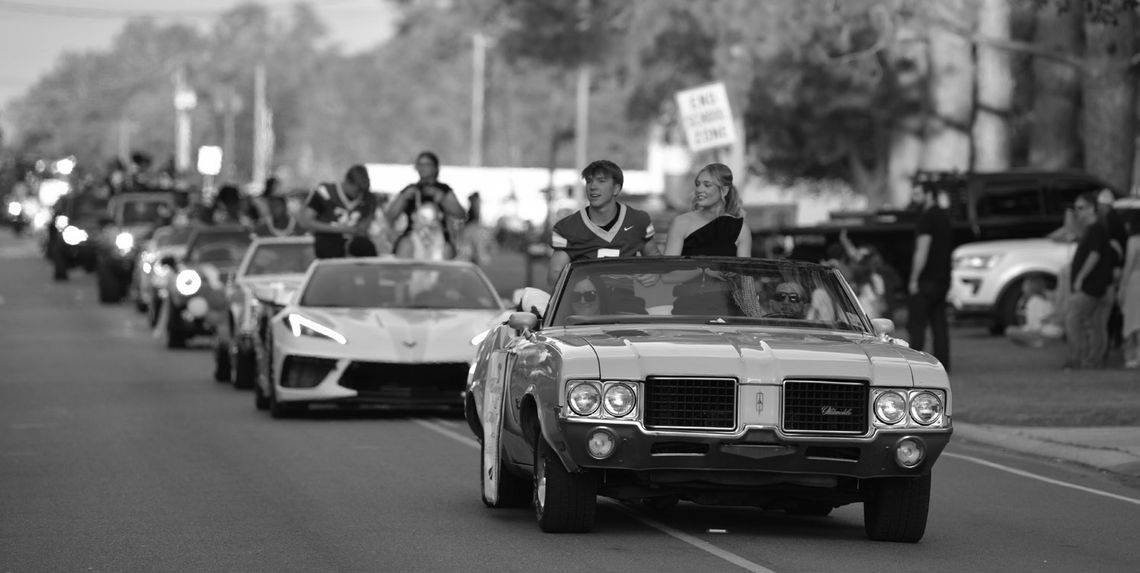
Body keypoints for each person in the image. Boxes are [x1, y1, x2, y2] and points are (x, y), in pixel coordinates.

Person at [547, 160, 661, 285]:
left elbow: (655, 259)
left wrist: (655, 273)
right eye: (589, 181)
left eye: (601, 181)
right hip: (585, 300)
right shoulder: (567, 227)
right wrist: (581, 282)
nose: (593, 186)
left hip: (626, 301)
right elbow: (554, 275)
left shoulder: (638, 220)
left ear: (616, 188)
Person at [1065, 192, 1115, 369]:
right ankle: (1093, 360)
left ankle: (1078, 359)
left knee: (1073, 319)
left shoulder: (1095, 229)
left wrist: (1080, 277)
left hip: (1093, 287)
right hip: (1100, 286)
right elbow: (1071, 232)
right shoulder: (1094, 229)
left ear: (1092, 209)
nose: (1077, 212)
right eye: (1076, 208)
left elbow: (1094, 255)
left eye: (1080, 208)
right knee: (1096, 325)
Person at [906, 182, 953, 371]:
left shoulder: (926, 219)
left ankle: (913, 365)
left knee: (916, 324)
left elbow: (921, 251)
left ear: (929, 195)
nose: (914, 198)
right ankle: (943, 364)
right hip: (942, 279)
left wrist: (914, 279)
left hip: (927, 280)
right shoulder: (943, 217)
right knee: (939, 323)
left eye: (917, 194)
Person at [385, 151, 466, 260]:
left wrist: (442, 199)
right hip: (413, 236)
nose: (422, 168)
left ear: (435, 168)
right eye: (420, 164)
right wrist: (403, 197)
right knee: (405, 246)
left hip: (438, 237)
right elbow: (390, 215)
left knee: (445, 251)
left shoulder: (443, 189)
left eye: (427, 165)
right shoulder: (411, 189)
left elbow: (460, 214)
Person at [664, 163, 750, 257]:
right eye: (697, 184)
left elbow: (743, 270)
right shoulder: (681, 223)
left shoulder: (741, 229)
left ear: (724, 191)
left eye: (707, 185)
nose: (699, 190)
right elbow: (669, 268)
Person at [298, 164, 377, 259]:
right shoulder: (325, 192)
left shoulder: (368, 199)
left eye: (362, 191)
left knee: (366, 247)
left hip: (353, 241)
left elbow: (363, 228)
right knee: (328, 247)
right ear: (348, 182)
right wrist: (340, 229)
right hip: (327, 240)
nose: (359, 194)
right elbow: (306, 222)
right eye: (357, 190)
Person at [1005, 276, 1063, 348]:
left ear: (1030, 288)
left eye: (1024, 285)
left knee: (1010, 330)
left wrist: (1023, 329)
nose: (1022, 288)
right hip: (1056, 332)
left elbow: (1035, 326)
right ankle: (1036, 342)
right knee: (1018, 331)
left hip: (1045, 334)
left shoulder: (1033, 301)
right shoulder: (1046, 299)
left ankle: (1037, 343)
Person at [1117, 210, 1140, 368]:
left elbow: (1129, 265)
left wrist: (1121, 288)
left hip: (1135, 281)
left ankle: (1132, 355)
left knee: (1132, 320)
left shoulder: (1133, 240)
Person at [455, 191, 494, 266]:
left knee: (473, 254)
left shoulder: (476, 204)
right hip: (472, 228)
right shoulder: (475, 205)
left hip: (473, 228)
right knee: (471, 254)